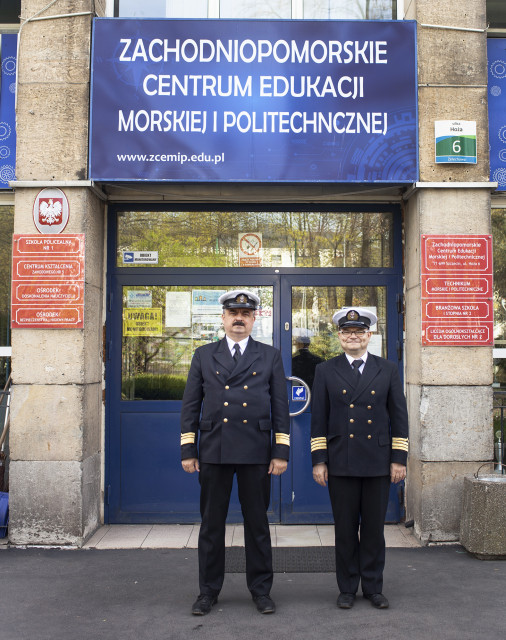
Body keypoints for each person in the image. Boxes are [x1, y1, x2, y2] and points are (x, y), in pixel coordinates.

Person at [181, 289, 290, 616]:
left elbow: (280, 407)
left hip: (256, 451)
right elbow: (191, 405)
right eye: (233, 313)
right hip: (215, 449)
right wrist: (189, 448)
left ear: (254, 318)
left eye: (245, 314)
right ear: (224, 318)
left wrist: (280, 450)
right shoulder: (203, 354)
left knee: (257, 524)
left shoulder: (269, 355)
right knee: (211, 525)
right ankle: (208, 591)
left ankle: (261, 591)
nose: (239, 319)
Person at [310, 307, 408, 610]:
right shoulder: (325, 370)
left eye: (359, 332)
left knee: (374, 529)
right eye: (347, 332)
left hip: (378, 461)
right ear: (339, 337)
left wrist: (399, 458)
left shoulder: (388, 369)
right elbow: (319, 419)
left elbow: (399, 416)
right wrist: (319, 459)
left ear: (370, 335)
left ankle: (374, 587)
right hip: (341, 460)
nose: (353, 336)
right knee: (345, 528)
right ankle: (347, 587)